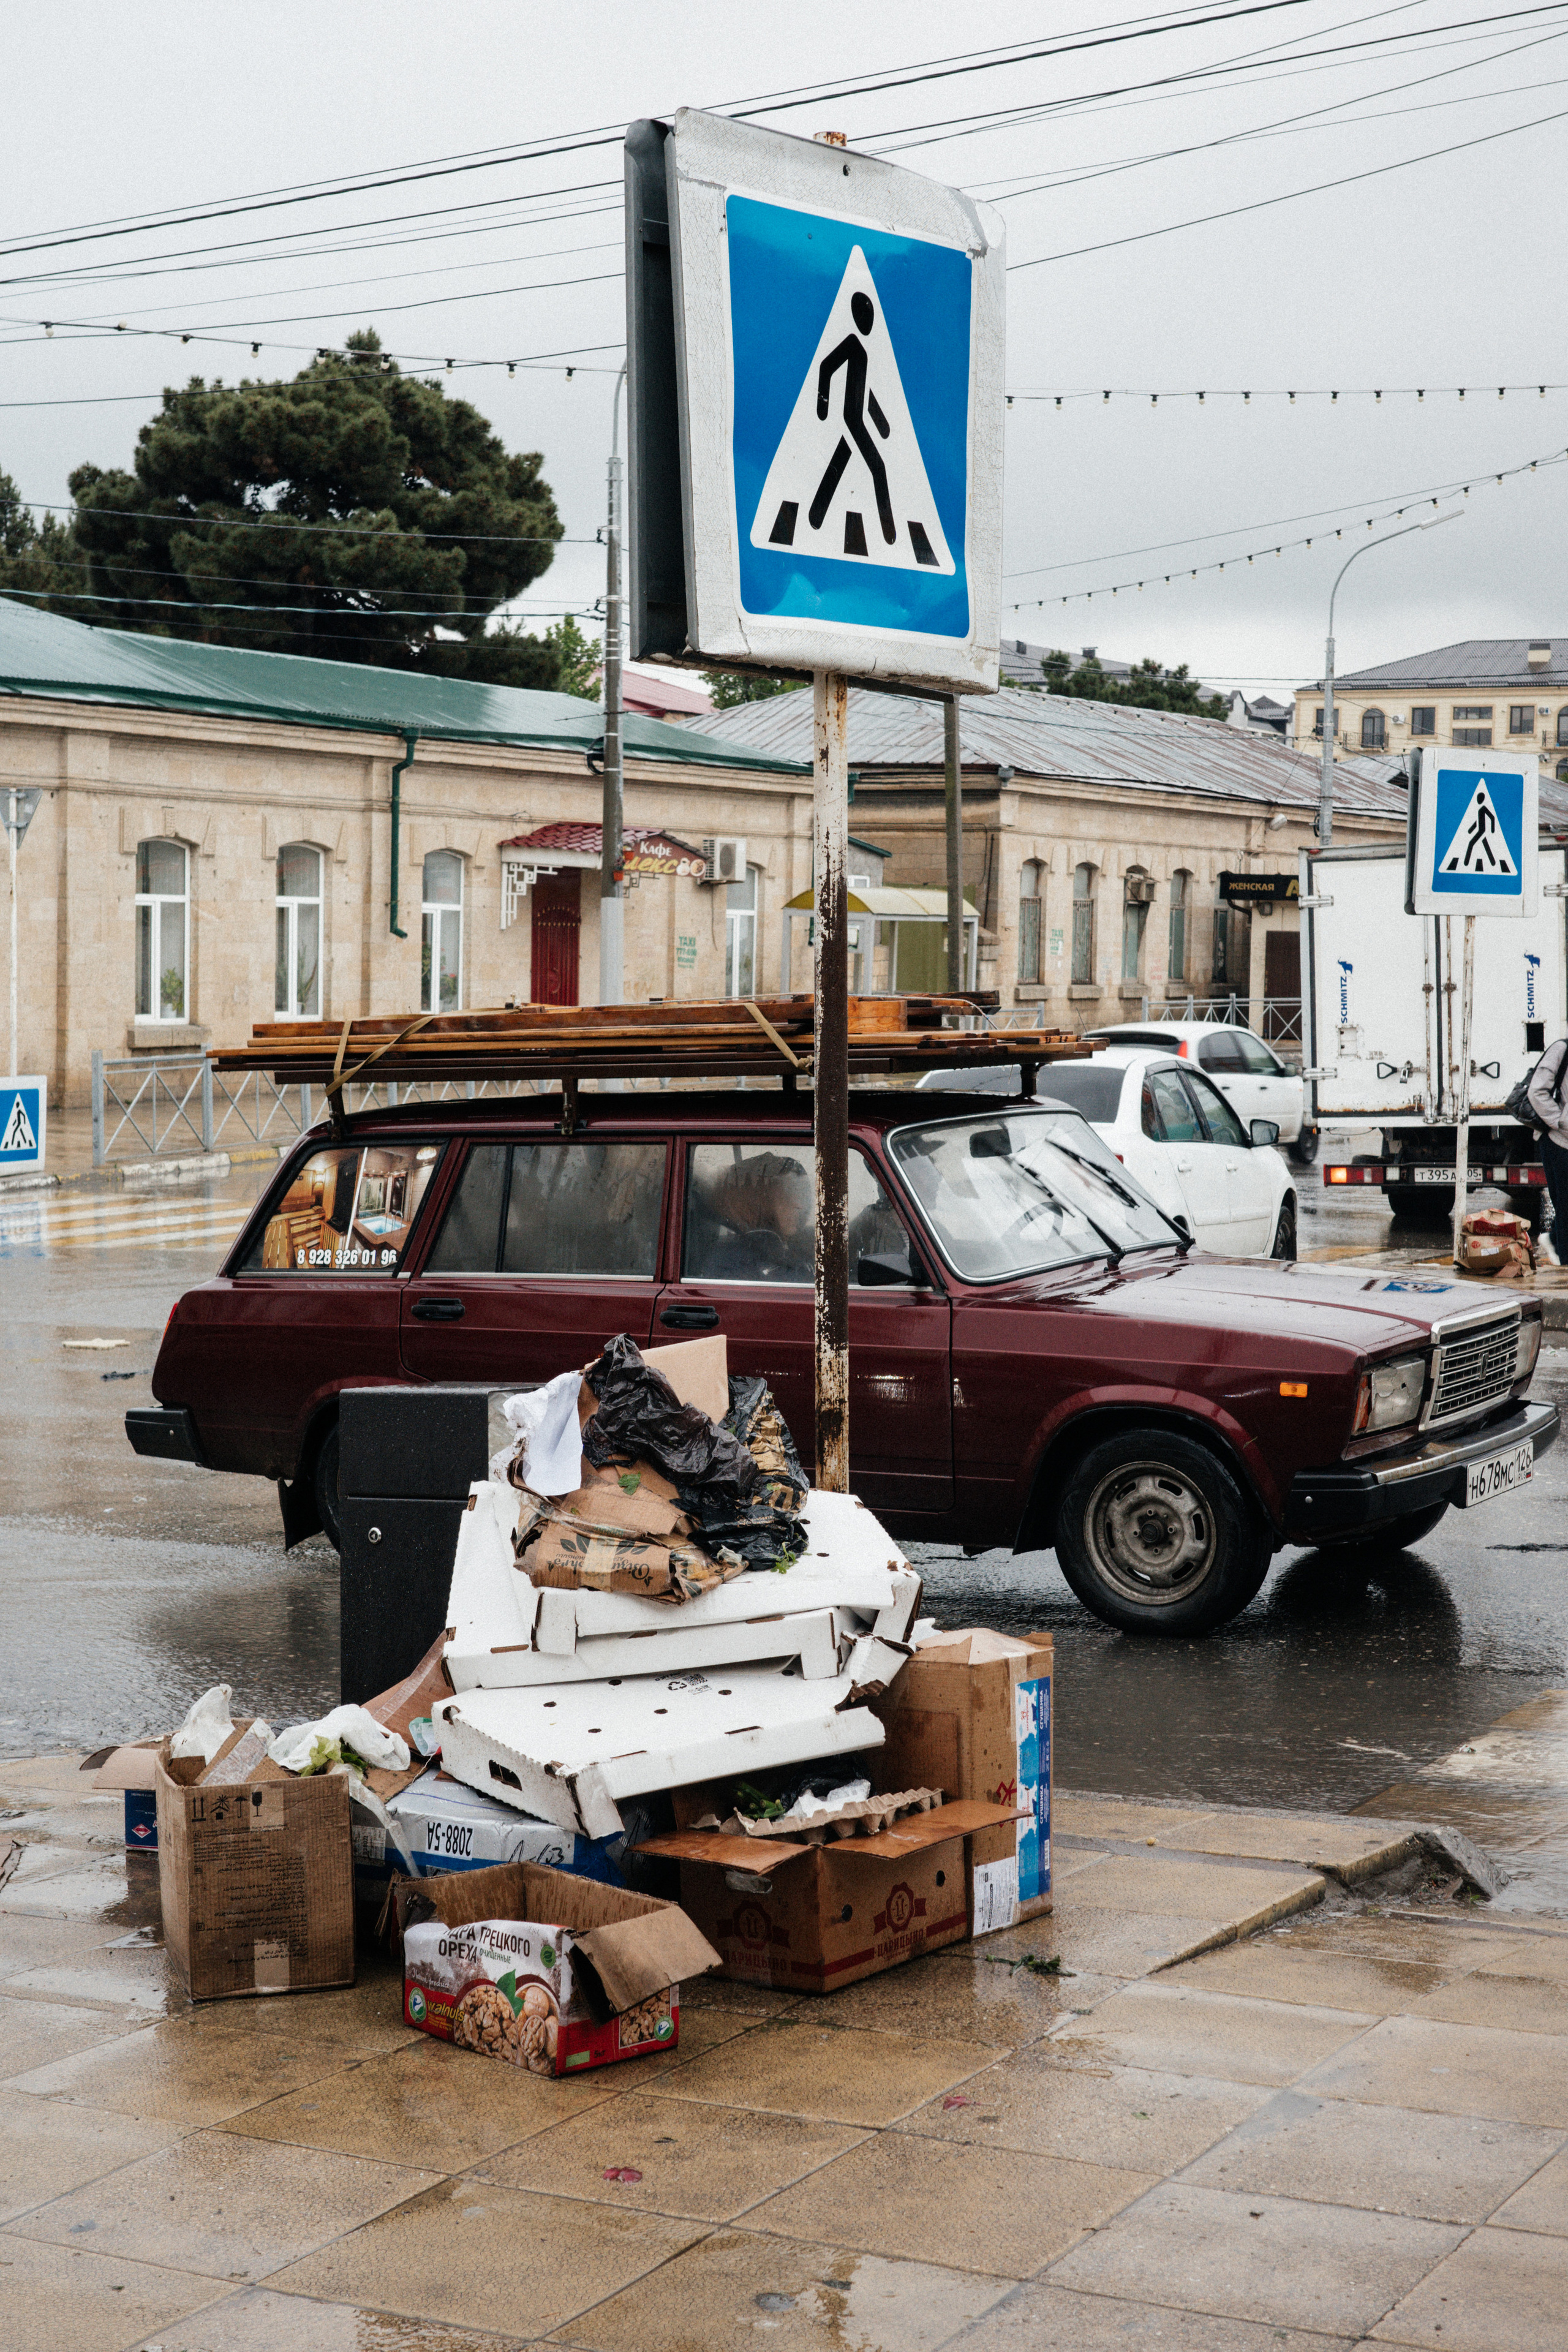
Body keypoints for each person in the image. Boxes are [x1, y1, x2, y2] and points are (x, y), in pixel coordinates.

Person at [1526, 1033, 1568, 1264]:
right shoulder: (1561, 1049)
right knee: (1565, 1206)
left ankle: (1553, 1239)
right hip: (1558, 1140)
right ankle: (1561, 1255)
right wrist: (1561, 1122)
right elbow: (1536, 1091)